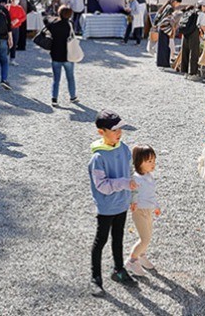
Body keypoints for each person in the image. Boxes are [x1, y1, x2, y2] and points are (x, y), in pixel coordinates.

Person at [88, 110, 138, 297]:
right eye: (114, 129)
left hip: (122, 204)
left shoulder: (123, 148)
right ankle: (96, 278)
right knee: (100, 241)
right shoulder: (98, 158)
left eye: (120, 129)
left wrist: (132, 196)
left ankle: (118, 270)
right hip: (107, 207)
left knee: (118, 237)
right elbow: (102, 186)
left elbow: (130, 171)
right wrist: (125, 184)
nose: (119, 133)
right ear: (101, 132)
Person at [127, 144, 161, 276]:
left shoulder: (149, 176)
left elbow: (151, 194)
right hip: (139, 211)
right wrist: (132, 202)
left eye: (154, 161)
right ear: (139, 162)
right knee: (144, 238)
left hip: (148, 211)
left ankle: (141, 255)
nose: (153, 164)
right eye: (149, 161)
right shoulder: (136, 178)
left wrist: (156, 206)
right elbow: (131, 192)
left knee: (149, 235)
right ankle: (132, 260)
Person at [46, 5, 79, 107]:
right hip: (68, 55)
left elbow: (45, 23)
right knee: (70, 77)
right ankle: (72, 96)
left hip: (55, 54)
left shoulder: (53, 24)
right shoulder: (70, 25)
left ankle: (54, 98)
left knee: (56, 79)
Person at [154, 0, 181, 68]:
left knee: (162, 46)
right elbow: (168, 19)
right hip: (165, 28)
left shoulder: (167, 6)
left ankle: (161, 62)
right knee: (165, 46)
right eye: (178, 4)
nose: (178, 5)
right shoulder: (170, 8)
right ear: (175, 2)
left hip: (162, 27)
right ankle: (164, 63)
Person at [177, 4, 204, 77]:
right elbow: (201, 25)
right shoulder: (198, 13)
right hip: (193, 33)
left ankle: (183, 70)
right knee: (194, 52)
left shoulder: (186, 13)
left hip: (185, 33)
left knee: (185, 51)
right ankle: (192, 72)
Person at [6, 0, 26, 66]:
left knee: (14, 43)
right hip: (7, 28)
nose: (16, 1)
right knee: (7, 42)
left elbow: (24, 17)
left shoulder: (20, 8)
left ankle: (12, 58)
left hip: (16, 28)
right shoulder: (7, 7)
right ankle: (5, 57)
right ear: (12, 0)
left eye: (17, 0)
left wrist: (18, 20)